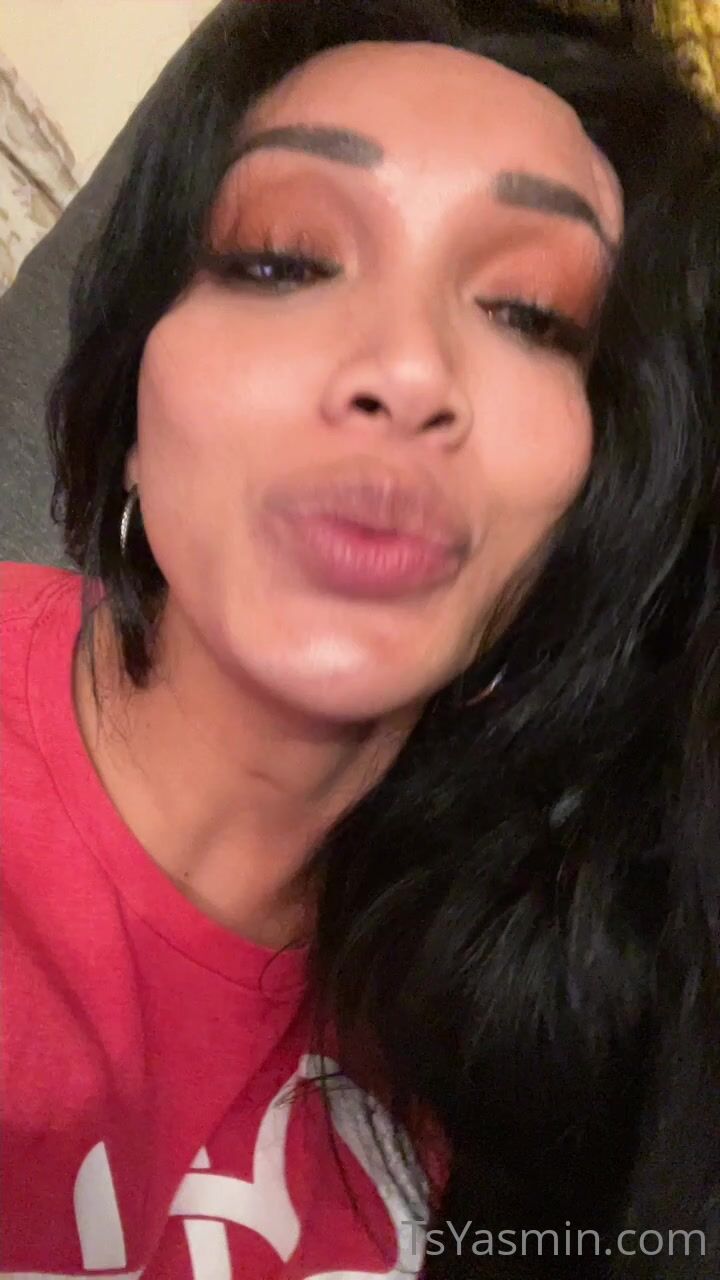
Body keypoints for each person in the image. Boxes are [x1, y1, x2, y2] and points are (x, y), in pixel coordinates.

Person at [2, 1, 719, 1276]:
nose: (408, 368)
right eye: (284, 260)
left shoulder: (507, 1031)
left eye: (530, 312)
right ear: (130, 391)